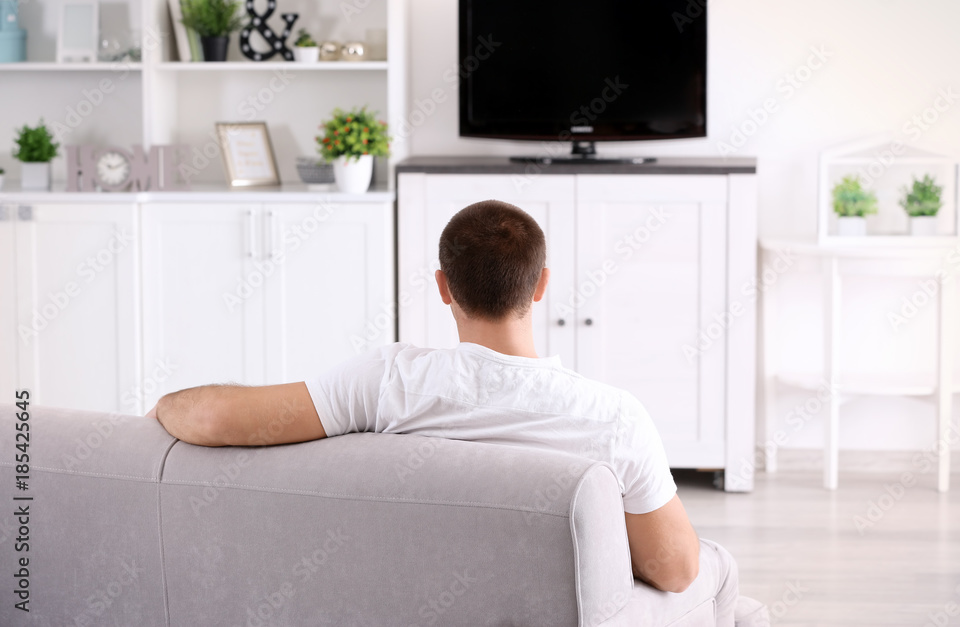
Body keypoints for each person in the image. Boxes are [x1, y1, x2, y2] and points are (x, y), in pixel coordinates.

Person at [148, 200, 747, 625]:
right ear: (540, 286)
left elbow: (211, 419)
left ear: (442, 287)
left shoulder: (386, 383)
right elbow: (672, 572)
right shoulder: (612, 418)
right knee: (717, 571)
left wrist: (166, 404)